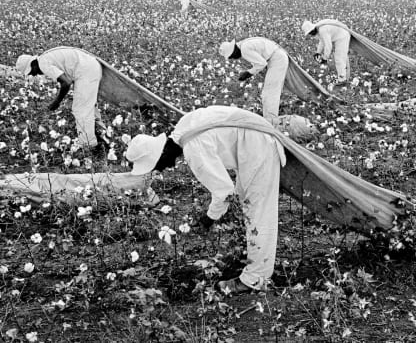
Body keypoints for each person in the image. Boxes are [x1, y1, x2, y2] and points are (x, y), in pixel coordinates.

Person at [125, 105, 286, 294]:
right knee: (249, 205)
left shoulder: (193, 148)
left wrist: (209, 218)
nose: (161, 169)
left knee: (258, 212)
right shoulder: (183, 128)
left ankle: (255, 279)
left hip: (259, 144)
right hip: (255, 140)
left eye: (156, 165)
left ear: (160, 154)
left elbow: (225, 192)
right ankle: (253, 258)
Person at [15, 47, 107, 151]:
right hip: (90, 67)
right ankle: (100, 137)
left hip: (86, 72)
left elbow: (66, 83)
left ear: (33, 64)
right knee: (88, 107)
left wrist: (57, 101)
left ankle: (90, 147)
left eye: (32, 72)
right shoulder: (46, 57)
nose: (34, 74)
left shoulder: (43, 63)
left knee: (81, 110)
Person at [218, 37, 288, 125]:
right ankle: (269, 119)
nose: (234, 59)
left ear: (233, 51)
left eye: (232, 56)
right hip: (276, 58)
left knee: (270, 93)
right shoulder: (244, 44)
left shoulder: (244, 49)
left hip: (277, 60)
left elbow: (262, 63)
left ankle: (271, 122)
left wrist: (248, 73)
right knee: (268, 92)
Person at [301, 19, 351, 86]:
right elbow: (322, 41)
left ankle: (342, 80)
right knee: (342, 57)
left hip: (342, 36)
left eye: (310, 32)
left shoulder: (322, 30)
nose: (311, 34)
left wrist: (325, 58)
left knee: (339, 58)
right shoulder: (319, 28)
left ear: (313, 29)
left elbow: (328, 45)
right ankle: (345, 77)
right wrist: (318, 52)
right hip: (340, 34)